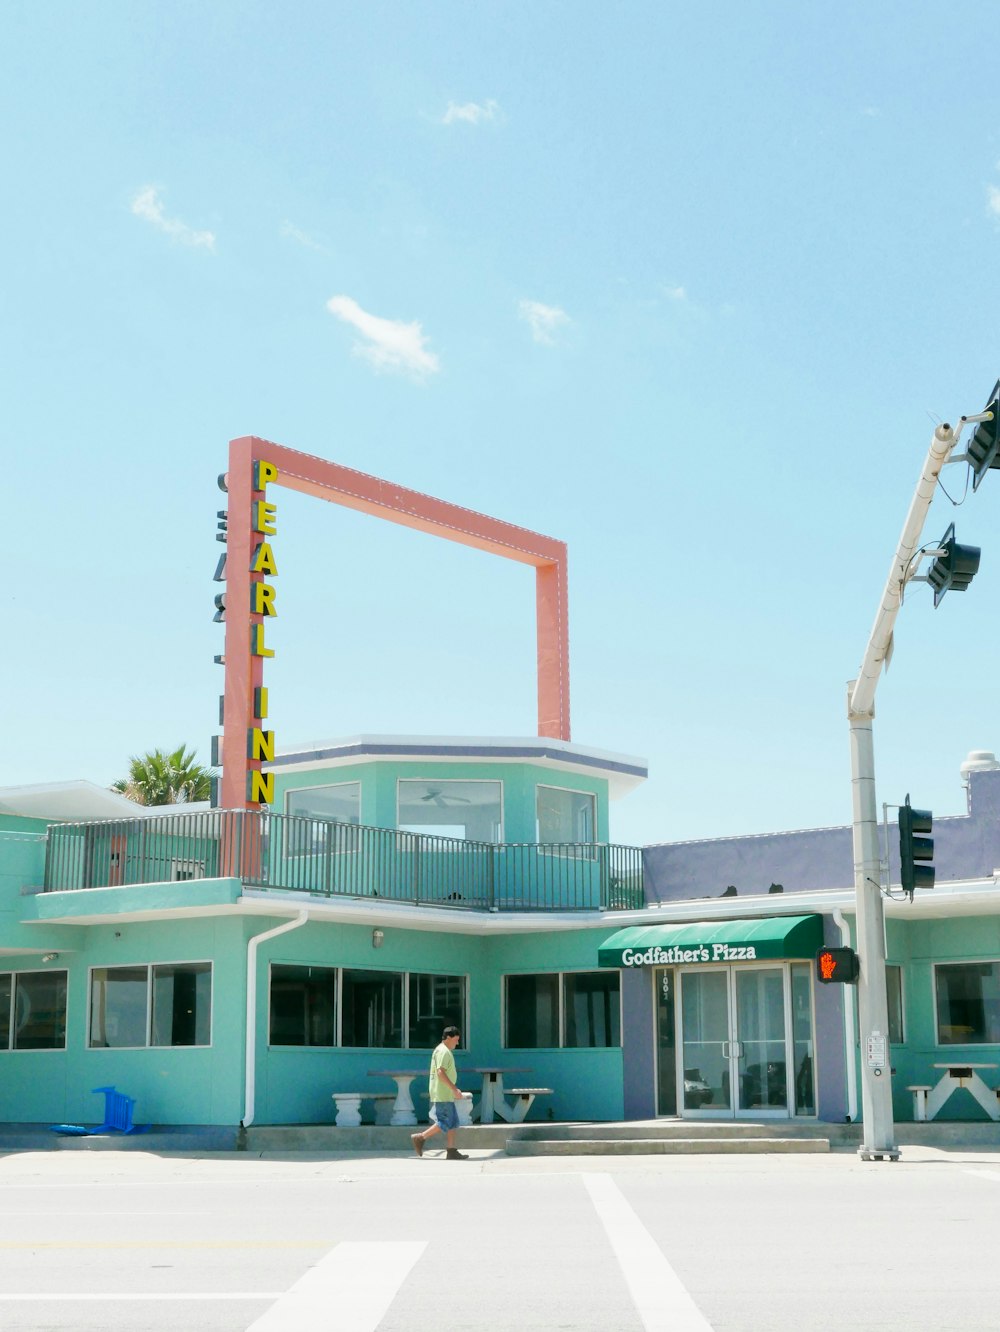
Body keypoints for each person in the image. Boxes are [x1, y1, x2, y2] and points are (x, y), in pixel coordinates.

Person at [411, 1025, 468, 1160]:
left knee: (453, 1122)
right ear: (448, 1037)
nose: (457, 1043)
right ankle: (420, 1137)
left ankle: (451, 1150)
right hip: (443, 1093)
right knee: (445, 1121)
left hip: (444, 1093)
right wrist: (454, 1089)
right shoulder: (443, 1051)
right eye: (456, 1039)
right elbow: (440, 1072)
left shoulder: (441, 1050)